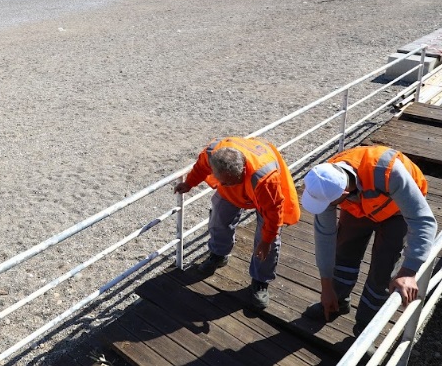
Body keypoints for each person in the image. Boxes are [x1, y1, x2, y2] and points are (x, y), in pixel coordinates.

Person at [301, 145, 437, 335]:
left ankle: (366, 326)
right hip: (361, 204)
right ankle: (337, 302)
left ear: (343, 194)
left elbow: (423, 221)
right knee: (344, 252)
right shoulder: (325, 180)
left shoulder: (391, 173)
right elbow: (325, 236)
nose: (324, 208)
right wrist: (326, 288)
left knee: (383, 268)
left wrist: (409, 270)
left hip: (397, 211)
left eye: (328, 204)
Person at [174, 137, 300, 309]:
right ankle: (218, 255)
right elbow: (201, 168)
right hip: (235, 192)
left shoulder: (265, 179)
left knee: (269, 242)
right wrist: (189, 183)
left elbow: (273, 213)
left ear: (242, 171)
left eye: (228, 181)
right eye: (220, 181)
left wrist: (266, 240)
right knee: (218, 217)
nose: (222, 184)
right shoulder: (212, 154)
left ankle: (260, 281)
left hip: (263, 195)